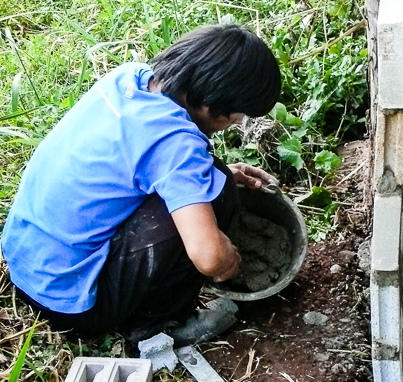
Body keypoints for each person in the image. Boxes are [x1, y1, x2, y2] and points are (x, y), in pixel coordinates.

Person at [1, 24, 281, 345]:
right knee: (218, 192)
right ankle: (157, 325)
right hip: (72, 306)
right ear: (209, 101)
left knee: (214, 176)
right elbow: (209, 257)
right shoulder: (177, 145)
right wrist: (229, 261)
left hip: (26, 263)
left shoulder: (127, 78)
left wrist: (217, 173)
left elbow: (136, 158)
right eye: (234, 115)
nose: (234, 123)